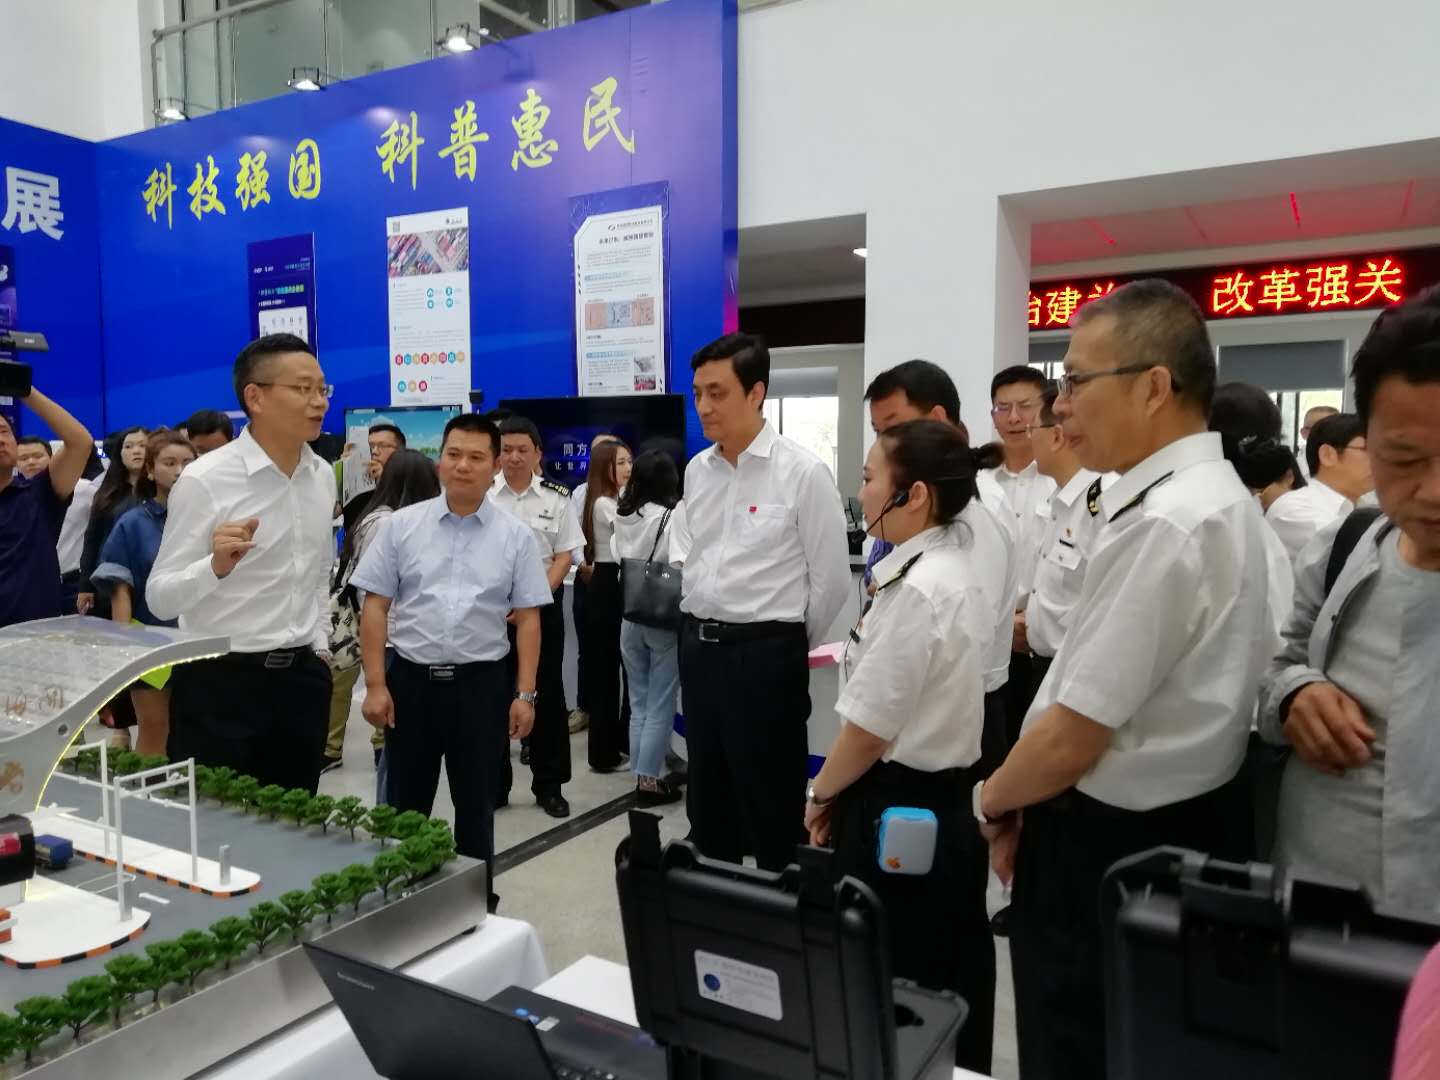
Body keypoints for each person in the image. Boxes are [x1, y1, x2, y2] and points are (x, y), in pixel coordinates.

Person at [977, 281, 1271, 1080]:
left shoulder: (1169, 521)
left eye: (1076, 381)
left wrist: (991, 800)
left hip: (1113, 845)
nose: (1061, 406)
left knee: (1076, 1047)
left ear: (1153, 387)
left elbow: (1074, 733)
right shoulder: (1200, 499)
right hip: (1166, 829)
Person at [806, 419, 1001, 1074]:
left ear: (912, 494)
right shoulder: (939, 568)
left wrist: (820, 795)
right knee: (938, 965)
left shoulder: (921, 587)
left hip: (903, 806)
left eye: (869, 478)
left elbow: (869, 729)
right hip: (933, 800)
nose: (861, 492)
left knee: (900, 974)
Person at [1259, 285, 1440, 917]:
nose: (1433, 491)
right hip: (1316, 915)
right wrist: (1297, 693)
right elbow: (1278, 663)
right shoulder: (1348, 544)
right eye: (1404, 458)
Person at [352, 414, 551, 903]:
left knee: (476, 806)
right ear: (439, 460)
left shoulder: (515, 536)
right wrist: (375, 684)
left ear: (495, 465)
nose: (463, 466)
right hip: (411, 684)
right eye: (454, 454)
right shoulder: (401, 527)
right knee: (405, 807)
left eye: (476, 457)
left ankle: (476, 906)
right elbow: (375, 607)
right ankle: (402, 903)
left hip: (481, 688)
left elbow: (528, 619)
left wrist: (525, 694)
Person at [673, 333, 849, 871]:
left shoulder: (802, 472)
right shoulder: (697, 471)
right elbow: (695, 557)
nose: (704, 406)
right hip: (699, 650)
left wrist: (781, 642)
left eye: (718, 393)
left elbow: (831, 583)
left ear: (756, 393)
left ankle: (777, 907)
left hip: (766, 657)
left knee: (771, 800)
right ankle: (717, 898)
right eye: (698, 393)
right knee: (708, 797)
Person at [148, 333, 336, 793]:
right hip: (220, 684)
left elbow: (318, 572)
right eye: (303, 389)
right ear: (255, 397)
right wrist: (213, 566)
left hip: (301, 682)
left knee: (295, 821)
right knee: (216, 823)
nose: (319, 402)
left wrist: (320, 644)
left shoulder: (320, 475)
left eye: (322, 389)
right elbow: (159, 597)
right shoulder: (206, 479)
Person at [862, 360, 1019, 776]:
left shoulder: (973, 508)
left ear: (935, 419)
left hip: (953, 721)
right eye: (877, 431)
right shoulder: (916, 501)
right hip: (911, 711)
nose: (884, 443)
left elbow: (966, 633)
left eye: (893, 428)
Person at [324, 449, 441, 777]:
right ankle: (374, 749)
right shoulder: (388, 523)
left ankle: (363, 746)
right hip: (385, 625)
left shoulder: (377, 516)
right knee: (381, 691)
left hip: (378, 621)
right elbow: (375, 584)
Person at [491, 415, 584, 818]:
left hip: (542, 610)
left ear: (537, 454)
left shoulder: (556, 497)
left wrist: (533, 598)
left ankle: (550, 785)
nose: (514, 457)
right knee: (492, 695)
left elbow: (564, 556)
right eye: (506, 449)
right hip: (491, 613)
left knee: (546, 695)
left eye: (522, 450)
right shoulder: (483, 494)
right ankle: (495, 784)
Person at [92, 430, 198, 755]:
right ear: (150, 470)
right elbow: (119, 588)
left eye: (188, 462)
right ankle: (148, 787)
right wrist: (125, 645)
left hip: (201, 640)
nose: (180, 471)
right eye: (169, 463)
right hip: (150, 641)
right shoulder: (134, 523)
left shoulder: (206, 519)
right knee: (155, 727)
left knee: (197, 727)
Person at [1022, 384, 1110, 703]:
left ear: (1057, 436)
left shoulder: (1100, 505)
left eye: (1032, 429)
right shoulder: (1058, 501)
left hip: (1076, 676)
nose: (1028, 438)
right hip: (1041, 667)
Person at [613, 450, 687, 807]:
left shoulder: (623, 513)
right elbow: (680, 563)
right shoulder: (672, 516)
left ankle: (642, 777)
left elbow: (619, 557)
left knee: (639, 701)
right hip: (662, 617)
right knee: (660, 703)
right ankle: (650, 781)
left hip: (630, 616)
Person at [987, 365, 1057, 743]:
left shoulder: (1059, 478)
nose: (1014, 418)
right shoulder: (977, 481)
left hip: (1042, 643)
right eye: (1003, 408)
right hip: (988, 641)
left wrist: (1032, 620)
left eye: (1025, 406)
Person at [0, 385, 93, 629]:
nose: (1, 440)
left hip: (37, 637)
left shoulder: (38, 494)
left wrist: (24, 389)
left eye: (4, 431)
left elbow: (80, 442)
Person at [581, 439, 634, 773]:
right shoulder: (603, 503)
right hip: (606, 583)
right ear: (605, 468)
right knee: (605, 676)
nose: (629, 468)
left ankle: (617, 745)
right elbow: (631, 534)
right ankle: (603, 754)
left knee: (615, 673)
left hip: (612, 583)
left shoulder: (612, 499)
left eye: (629, 461)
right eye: (621, 463)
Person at [1267, 411, 1372, 561]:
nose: (1380, 459)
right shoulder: (1293, 508)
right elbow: (1362, 557)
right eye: (1367, 449)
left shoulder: (1366, 505)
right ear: (1327, 455)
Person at [570, 432, 619, 735]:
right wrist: (582, 564)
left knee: (614, 655)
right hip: (587, 580)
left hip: (616, 584)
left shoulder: (627, 493)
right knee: (587, 651)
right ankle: (584, 707)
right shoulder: (581, 493)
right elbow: (572, 535)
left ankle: (612, 719)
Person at [77, 426, 148, 618]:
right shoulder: (106, 493)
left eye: (143, 445)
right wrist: (85, 585)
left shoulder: (161, 493)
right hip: (108, 579)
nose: (136, 451)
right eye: (129, 446)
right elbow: (92, 541)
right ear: (119, 454)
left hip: (148, 579)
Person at [57, 447, 103, 614]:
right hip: (33, 582)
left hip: (73, 580)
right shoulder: (16, 496)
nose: (31, 462)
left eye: (37, 456)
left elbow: (100, 526)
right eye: (24, 457)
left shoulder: (84, 489)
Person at [341, 422, 406, 537]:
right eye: (370, 446)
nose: (375, 451)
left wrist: (385, 481)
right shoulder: (355, 485)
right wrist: (343, 473)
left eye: (383, 445)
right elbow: (331, 514)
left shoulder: (410, 481)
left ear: (401, 451)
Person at [1296, 403, 1339, 478]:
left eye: (1334, 429)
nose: (1328, 434)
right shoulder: (1290, 472)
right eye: (1320, 429)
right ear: (1304, 433)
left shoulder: (1353, 466)